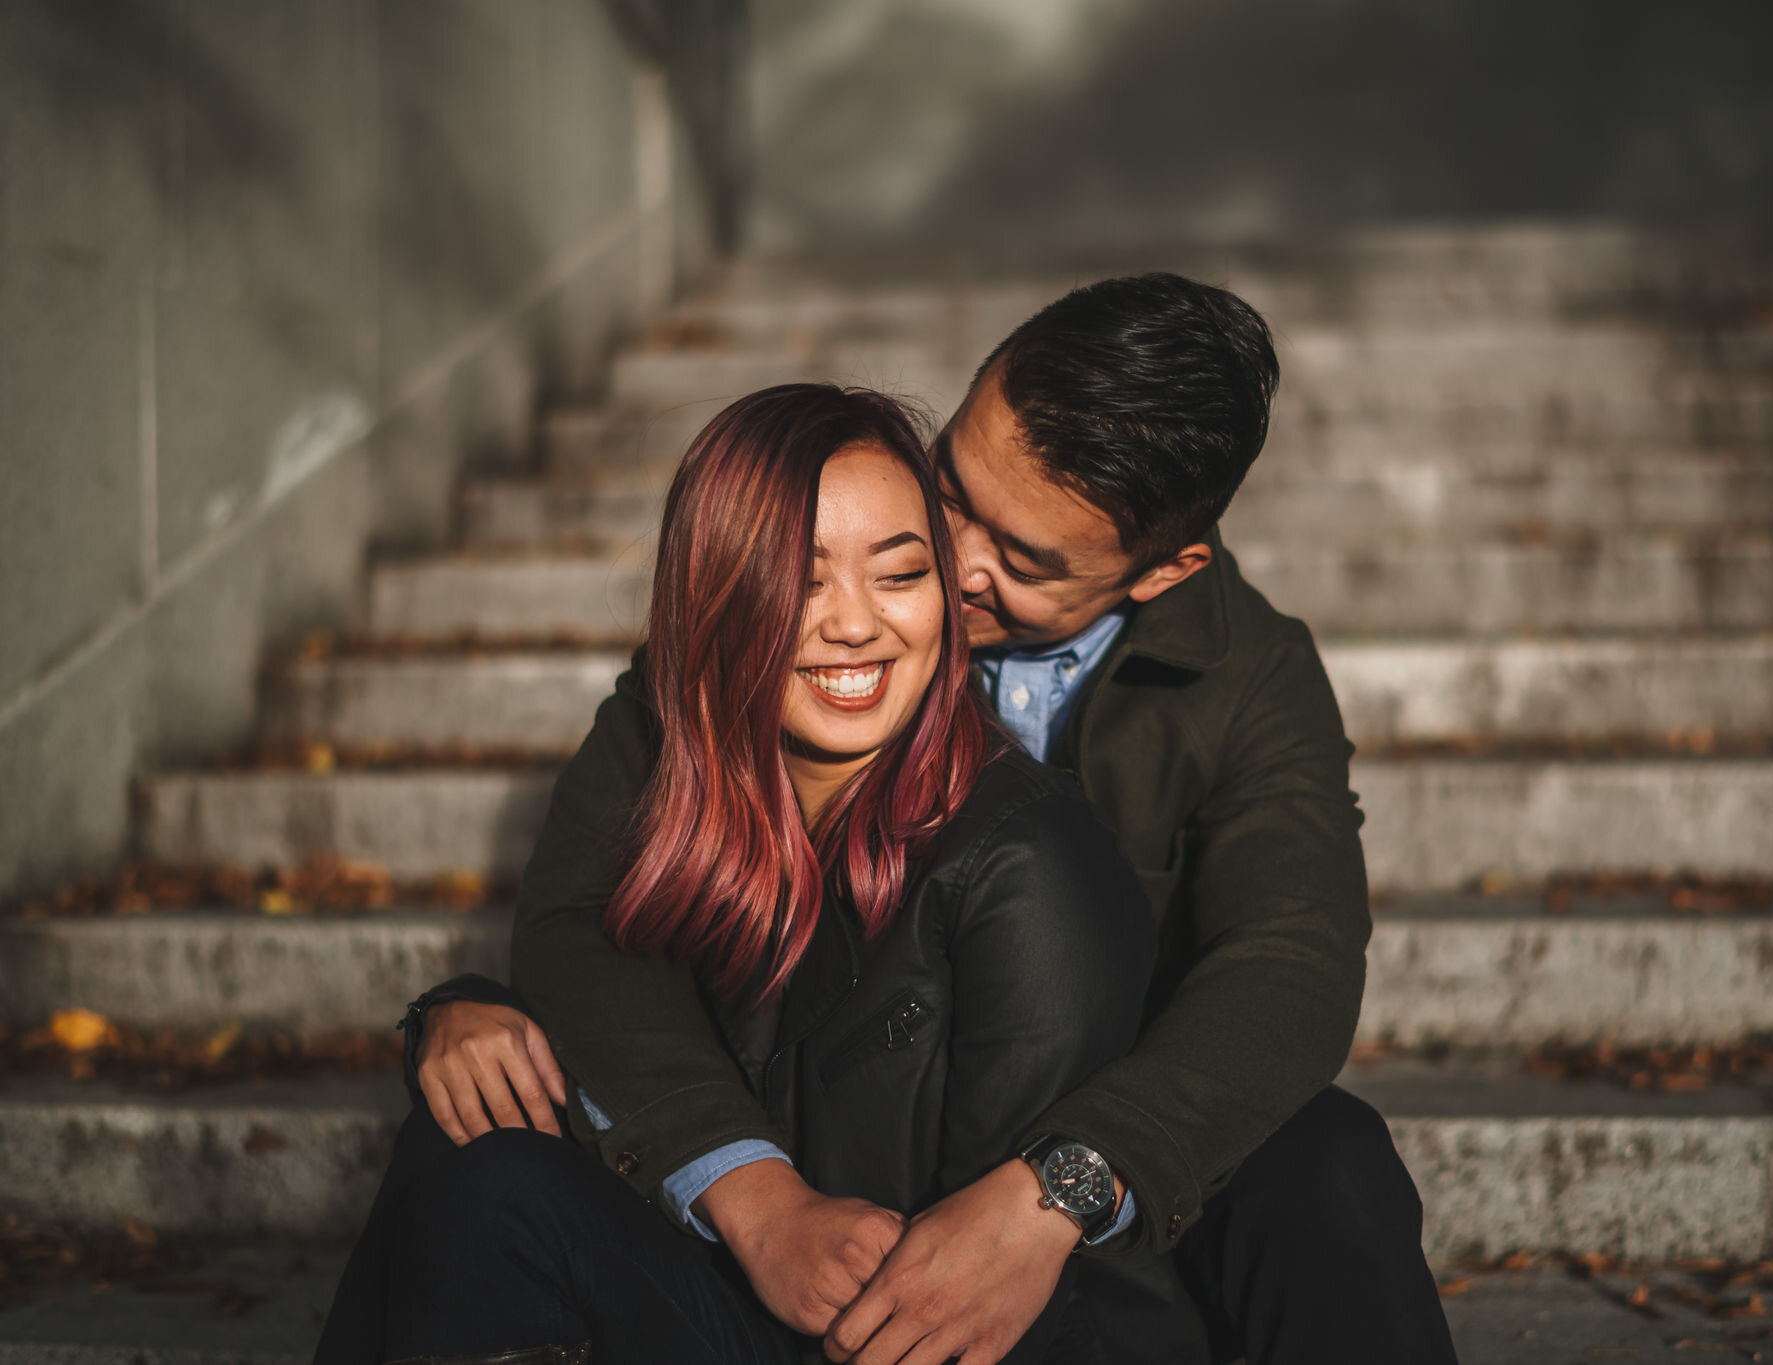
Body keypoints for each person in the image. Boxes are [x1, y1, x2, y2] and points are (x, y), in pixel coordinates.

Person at [417, 275, 1459, 1364]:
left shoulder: (1249, 674)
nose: (953, 565)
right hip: (829, 1123)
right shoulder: (823, 609)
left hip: (1107, 1138)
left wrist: (1056, 1190)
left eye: (1025, 561)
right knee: (474, 1145)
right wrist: (737, 1173)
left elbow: (1289, 962)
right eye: (954, 488)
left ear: (1162, 572)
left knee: (1327, 1162)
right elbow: (595, 899)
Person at [314, 384, 1209, 1363]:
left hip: (918, 1340)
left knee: (487, 1185)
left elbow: (1005, 1307)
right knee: (468, 1138)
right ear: (716, 597)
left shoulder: (1027, 866)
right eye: (801, 580)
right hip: (762, 1303)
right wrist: (466, 1010)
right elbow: (583, 942)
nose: (854, 625)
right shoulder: (698, 778)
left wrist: (778, 1220)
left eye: (899, 575)